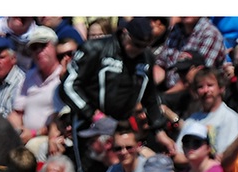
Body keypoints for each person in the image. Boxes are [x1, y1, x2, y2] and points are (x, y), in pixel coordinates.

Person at [60, 18, 174, 159]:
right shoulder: (94, 48)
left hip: (123, 128)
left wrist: (160, 131)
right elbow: (68, 85)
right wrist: (93, 115)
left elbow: (150, 97)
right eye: (136, 44)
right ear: (125, 33)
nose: (138, 50)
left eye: (144, 46)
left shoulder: (146, 58)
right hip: (90, 126)